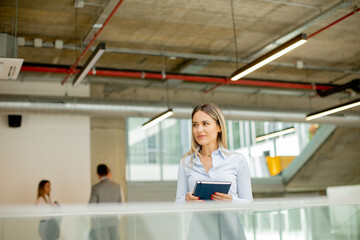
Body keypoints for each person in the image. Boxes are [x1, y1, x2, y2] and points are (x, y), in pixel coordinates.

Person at [175, 103, 253, 240]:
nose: (199, 130)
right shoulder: (185, 162)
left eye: (205, 124)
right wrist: (186, 201)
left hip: (231, 231)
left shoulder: (237, 160)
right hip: (198, 232)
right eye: (195, 125)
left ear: (219, 127)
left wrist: (231, 201)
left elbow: (249, 207)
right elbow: (177, 206)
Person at [89, 164, 123, 240]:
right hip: (114, 221)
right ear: (108, 172)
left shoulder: (96, 188)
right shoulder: (117, 186)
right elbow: (120, 205)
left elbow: (91, 206)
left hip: (101, 223)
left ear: (97, 174)